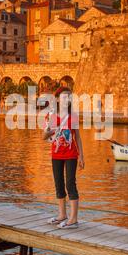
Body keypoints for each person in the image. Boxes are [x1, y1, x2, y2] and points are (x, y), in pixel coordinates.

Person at [43, 86, 84, 229]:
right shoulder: (51, 116)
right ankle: (62, 215)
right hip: (56, 155)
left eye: (69, 96)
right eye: (64, 96)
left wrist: (81, 157)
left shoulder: (73, 116)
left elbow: (77, 137)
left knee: (70, 184)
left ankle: (74, 219)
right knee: (58, 184)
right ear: (58, 99)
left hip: (71, 155)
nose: (67, 99)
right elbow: (44, 137)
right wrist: (52, 130)